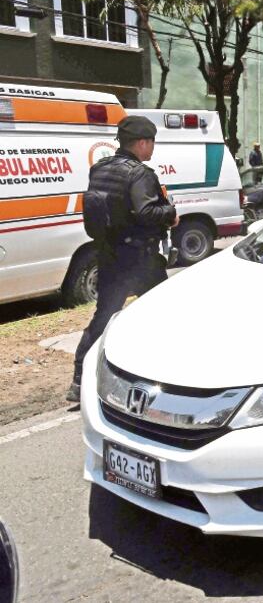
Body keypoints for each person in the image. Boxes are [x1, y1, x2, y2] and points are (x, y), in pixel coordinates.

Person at [69, 116, 178, 402]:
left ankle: (79, 380)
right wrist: (170, 214)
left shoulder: (99, 169)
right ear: (142, 142)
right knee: (163, 313)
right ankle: (165, 374)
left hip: (109, 254)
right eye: (152, 142)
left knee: (104, 315)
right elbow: (145, 213)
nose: (153, 148)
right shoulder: (140, 174)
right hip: (139, 258)